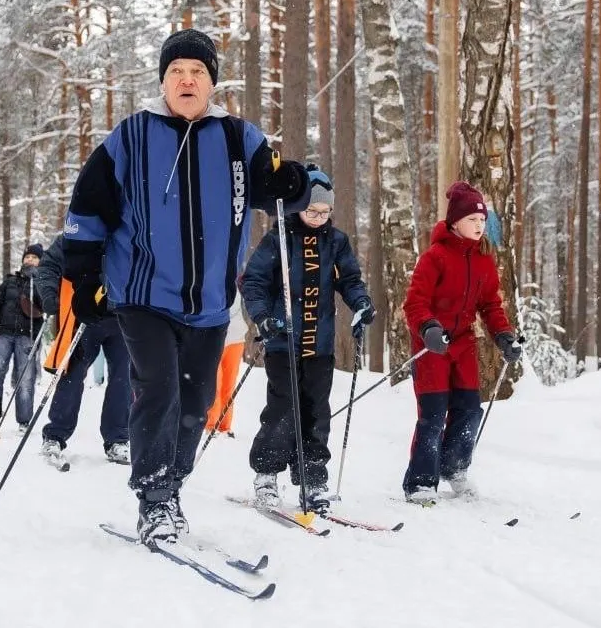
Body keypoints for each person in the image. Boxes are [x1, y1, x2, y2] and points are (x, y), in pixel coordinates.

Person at [63, 28, 311, 545]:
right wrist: (85, 278)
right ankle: (152, 499)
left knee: (197, 405)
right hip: (142, 294)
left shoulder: (240, 138)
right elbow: (88, 209)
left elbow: (272, 189)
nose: (187, 79)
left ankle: (171, 489)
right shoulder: (130, 137)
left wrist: (291, 182)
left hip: (211, 304)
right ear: (163, 80)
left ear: (212, 82)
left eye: (197, 71)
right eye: (177, 71)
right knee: (159, 390)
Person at [241, 166, 373, 513]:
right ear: (297, 207)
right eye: (312, 210)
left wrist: (360, 304)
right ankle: (267, 475)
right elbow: (252, 284)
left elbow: (350, 280)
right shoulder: (279, 240)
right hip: (282, 341)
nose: (318, 217)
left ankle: (313, 477)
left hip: (320, 344)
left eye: (325, 212)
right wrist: (263, 317)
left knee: (317, 411)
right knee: (283, 408)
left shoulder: (337, 241)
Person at [401, 181, 523, 505]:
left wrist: (504, 336)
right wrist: (427, 328)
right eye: (473, 220)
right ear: (455, 221)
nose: (479, 226)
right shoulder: (435, 258)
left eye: (482, 220)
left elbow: (491, 307)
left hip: (463, 343)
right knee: (433, 414)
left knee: (470, 409)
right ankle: (420, 482)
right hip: (432, 345)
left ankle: (455, 469)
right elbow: (415, 303)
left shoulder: (484, 261)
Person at [36, 234, 132, 466]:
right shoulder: (79, 231)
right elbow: (48, 265)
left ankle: (118, 439)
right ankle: (55, 435)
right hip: (84, 313)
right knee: (72, 374)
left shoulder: (132, 230)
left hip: (125, 315)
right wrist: (50, 294)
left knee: (125, 378)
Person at [0, 245, 46, 435]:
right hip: (4, 334)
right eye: (28, 256)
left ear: (41, 261)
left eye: (34, 257)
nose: (30, 260)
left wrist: (37, 283)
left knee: (25, 378)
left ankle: (23, 422)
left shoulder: (42, 282)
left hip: (27, 335)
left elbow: (47, 306)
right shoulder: (10, 282)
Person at [204, 296, 249, 438]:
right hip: (214, 339)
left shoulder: (235, 281)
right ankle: (211, 426)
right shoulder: (210, 280)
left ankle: (225, 426)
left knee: (229, 386)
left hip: (236, 339)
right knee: (215, 385)